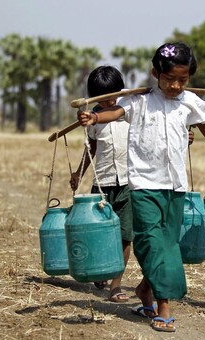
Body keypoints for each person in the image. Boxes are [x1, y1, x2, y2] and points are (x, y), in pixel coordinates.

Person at [77, 42, 205, 333]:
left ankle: (145, 288)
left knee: (169, 244)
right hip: (144, 185)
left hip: (175, 186)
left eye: (182, 80)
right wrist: (94, 117)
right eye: (169, 79)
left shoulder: (190, 102)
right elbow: (115, 114)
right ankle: (164, 305)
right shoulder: (140, 101)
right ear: (154, 73)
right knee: (152, 242)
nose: (175, 85)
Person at [70, 65, 132, 303]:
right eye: (104, 99)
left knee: (126, 235)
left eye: (114, 96)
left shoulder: (131, 113)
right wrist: (78, 173)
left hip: (129, 182)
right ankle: (101, 270)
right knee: (102, 233)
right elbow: (91, 150)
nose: (110, 102)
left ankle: (115, 285)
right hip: (102, 182)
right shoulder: (91, 120)